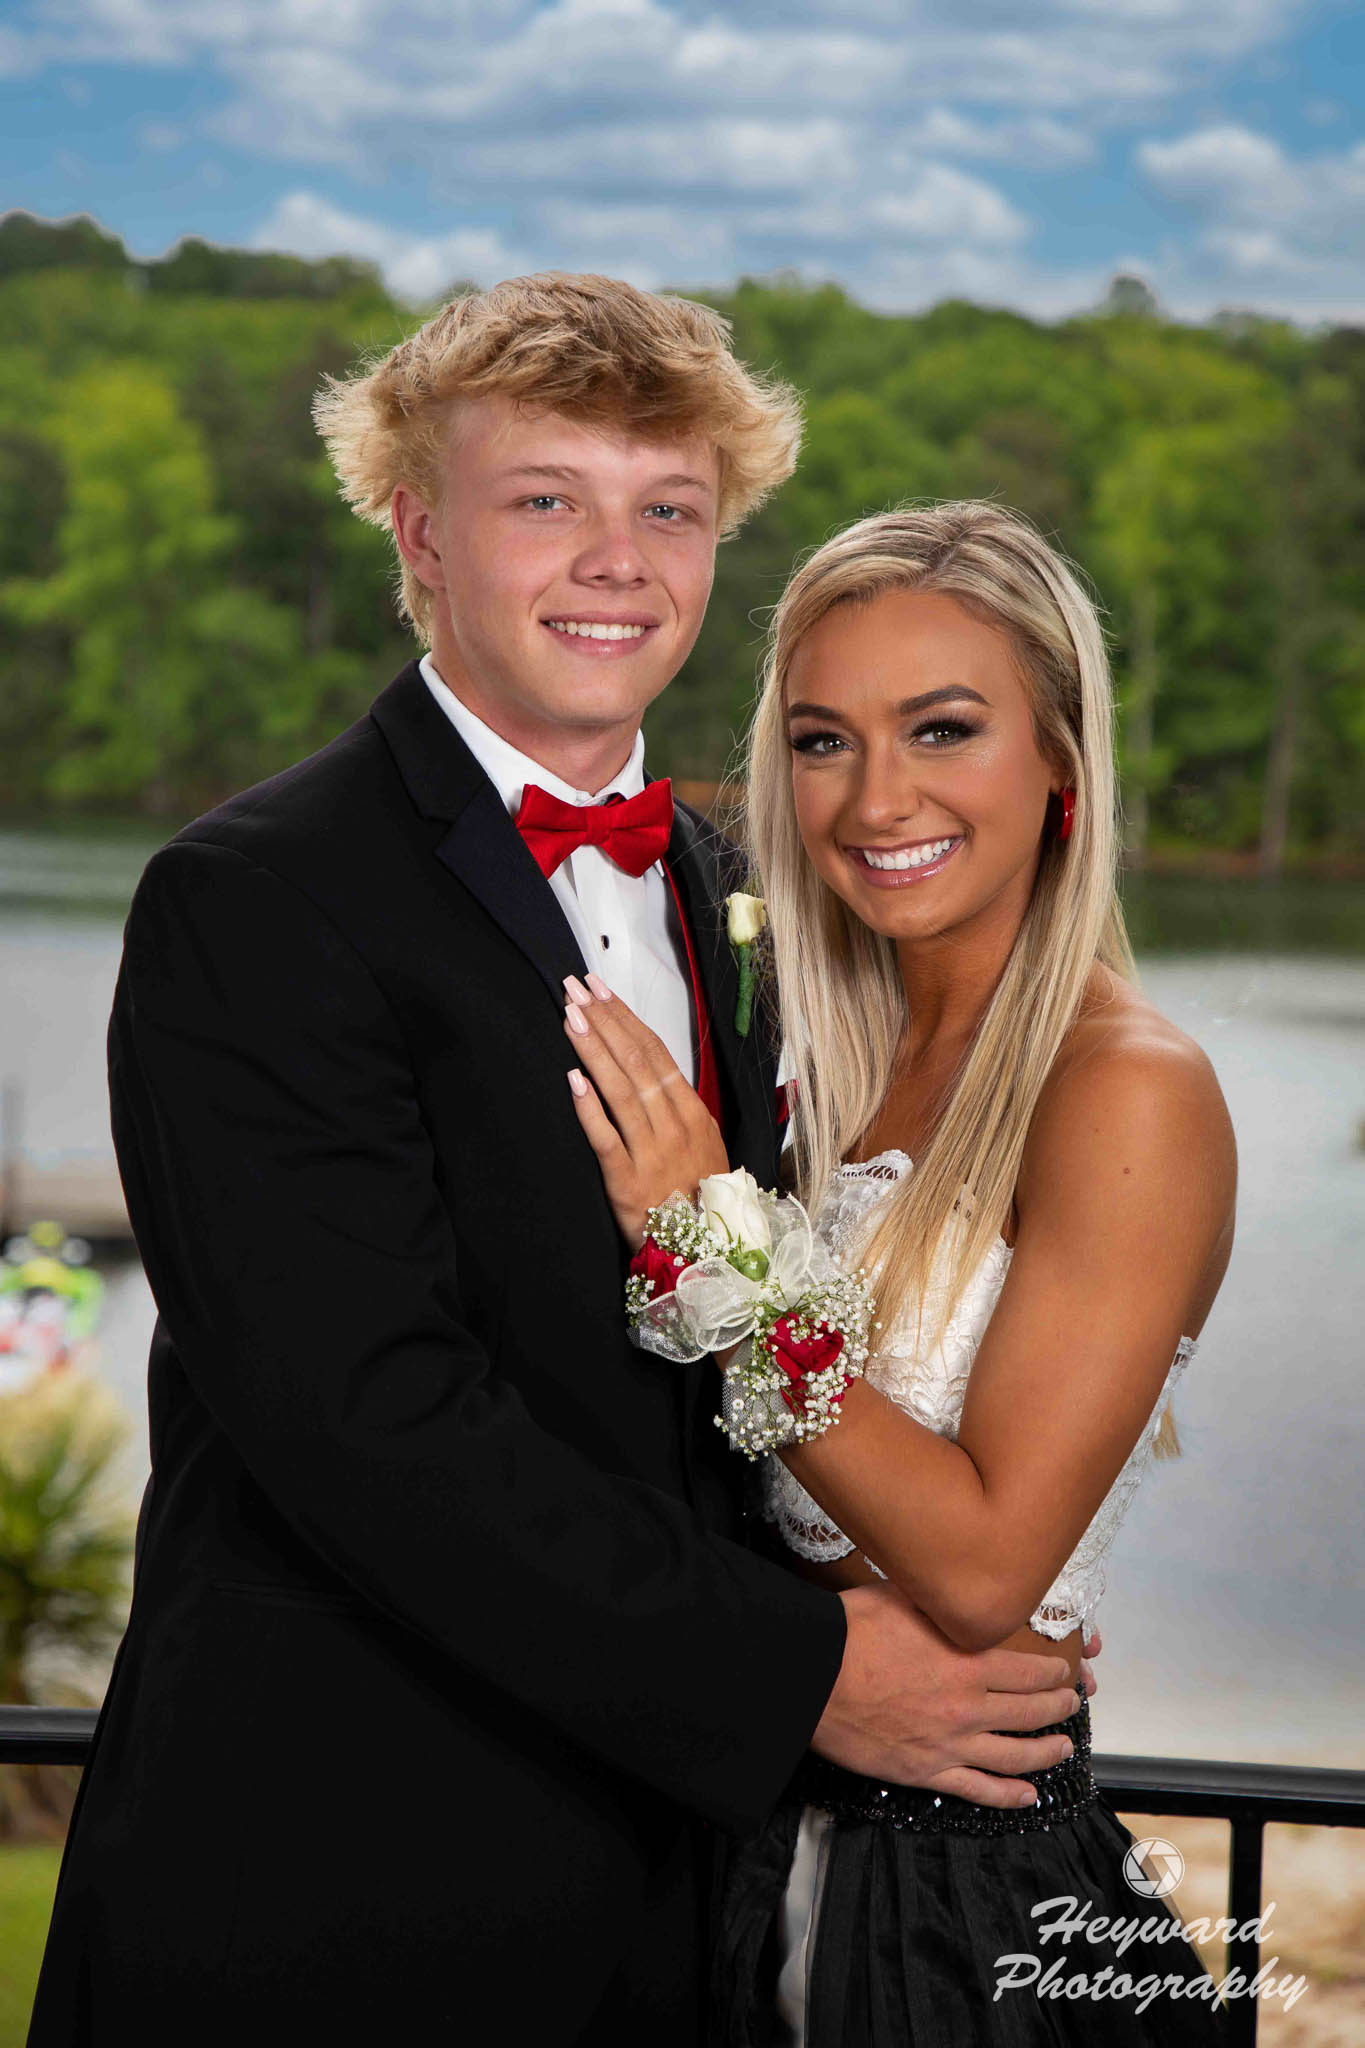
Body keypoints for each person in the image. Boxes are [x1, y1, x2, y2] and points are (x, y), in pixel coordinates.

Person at [27, 283, 1084, 2047]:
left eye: (665, 509)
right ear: (419, 535)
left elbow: (720, 1361)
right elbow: (369, 1426)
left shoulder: (747, 878)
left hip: (684, 1894)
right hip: (338, 1882)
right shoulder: (256, 901)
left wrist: (906, 1598)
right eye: (547, 501)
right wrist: (815, 1675)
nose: (616, 560)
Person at [563, 501, 1236, 2042]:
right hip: (733, 1850)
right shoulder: (814, 1065)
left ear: (1059, 758)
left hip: (963, 1908)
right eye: (820, 741)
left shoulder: (1125, 1087)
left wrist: (715, 1245)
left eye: (942, 729)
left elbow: (986, 1563)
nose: (876, 799)